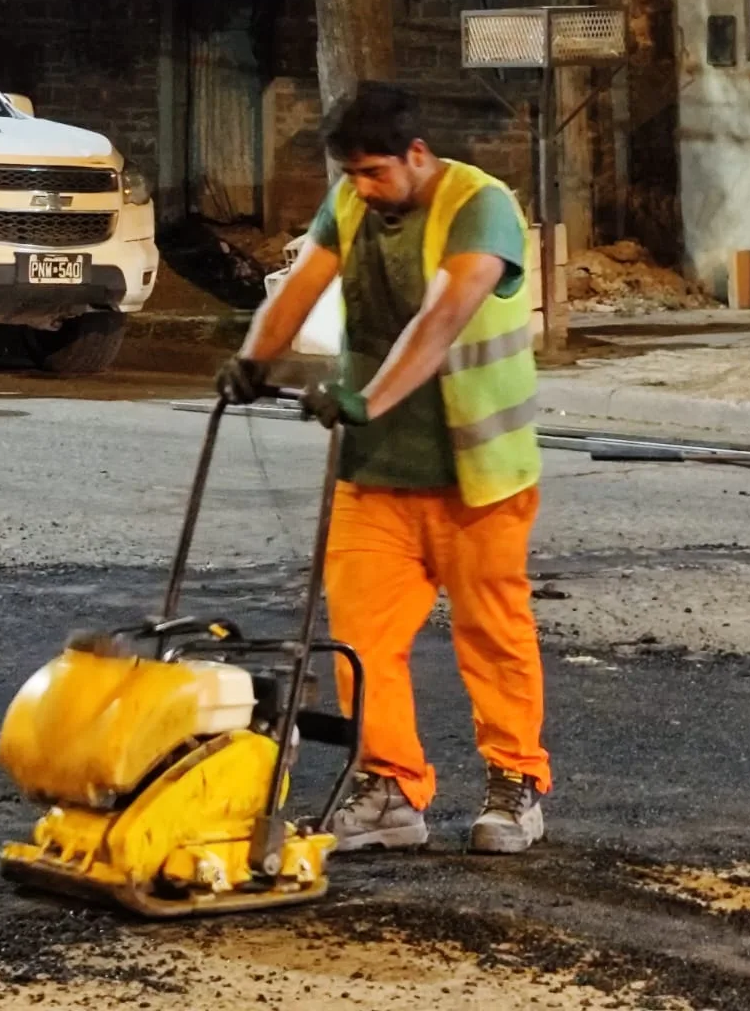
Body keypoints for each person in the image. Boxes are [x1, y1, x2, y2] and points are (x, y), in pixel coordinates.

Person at [218, 81, 549, 855]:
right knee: (363, 638)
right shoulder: (352, 201)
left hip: (478, 472)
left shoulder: (481, 205)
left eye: (373, 173)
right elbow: (300, 288)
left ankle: (516, 782)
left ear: (417, 155)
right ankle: (389, 787)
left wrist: (367, 397)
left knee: (492, 636)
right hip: (377, 475)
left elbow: (442, 319)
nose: (361, 189)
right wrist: (251, 361)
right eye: (352, 175)